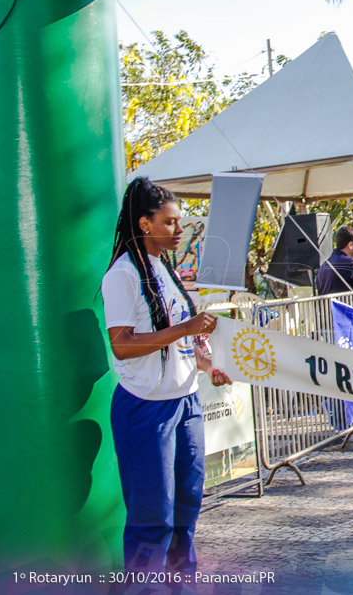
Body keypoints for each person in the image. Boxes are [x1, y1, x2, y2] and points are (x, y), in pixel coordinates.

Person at [101, 177, 232, 575]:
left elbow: (178, 335)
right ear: (145, 224)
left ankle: (181, 581)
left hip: (185, 402)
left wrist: (209, 365)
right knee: (151, 516)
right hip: (144, 408)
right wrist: (184, 329)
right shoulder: (122, 275)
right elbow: (121, 344)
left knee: (187, 504)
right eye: (171, 223)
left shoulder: (165, 270)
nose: (180, 230)